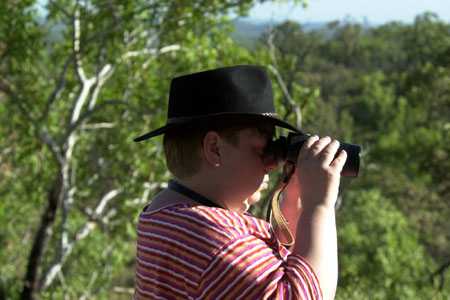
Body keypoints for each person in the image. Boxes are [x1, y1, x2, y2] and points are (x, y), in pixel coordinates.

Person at [133, 65, 347, 299]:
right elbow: (304, 294)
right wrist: (319, 205)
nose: (273, 164)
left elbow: (286, 268)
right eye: (262, 148)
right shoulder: (216, 240)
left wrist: (294, 199)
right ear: (214, 149)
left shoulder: (163, 216)